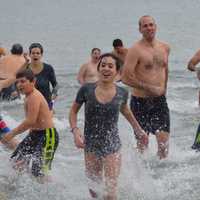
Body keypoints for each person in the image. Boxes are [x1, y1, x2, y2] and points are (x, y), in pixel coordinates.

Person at [69, 53, 148, 200]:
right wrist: (75, 131)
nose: (106, 68)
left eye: (110, 66)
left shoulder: (122, 93)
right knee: (94, 191)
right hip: (91, 144)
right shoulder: (86, 89)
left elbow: (126, 111)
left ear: (117, 72)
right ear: (98, 69)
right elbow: (73, 111)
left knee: (110, 192)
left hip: (112, 144)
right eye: (103, 65)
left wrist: (139, 130)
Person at [121, 15, 170, 159]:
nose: (149, 28)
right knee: (143, 145)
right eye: (145, 26)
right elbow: (125, 77)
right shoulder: (135, 50)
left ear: (156, 26)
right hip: (140, 102)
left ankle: (162, 178)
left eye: (151, 25)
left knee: (164, 146)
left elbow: (165, 69)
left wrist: (164, 89)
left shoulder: (165, 47)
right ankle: (142, 177)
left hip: (159, 101)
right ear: (140, 29)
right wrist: (148, 87)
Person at [2, 69, 59, 180]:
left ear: (33, 81)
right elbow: (34, 122)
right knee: (16, 161)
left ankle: (50, 192)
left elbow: (30, 121)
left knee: (38, 171)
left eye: (23, 81)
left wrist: (11, 134)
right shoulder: (28, 96)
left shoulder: (34, 96)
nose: (19, 85)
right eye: (17, 82)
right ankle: (16, 188)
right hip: (35, 134)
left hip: (48, 136)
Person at [25, 43, 59, 111]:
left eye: (38, 53)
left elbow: (56, 85)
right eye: (33, 53)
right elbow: (18, 82)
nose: (35, 55)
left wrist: (53, 97)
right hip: (30, 103)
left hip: (47, 104)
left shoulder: (48, 68)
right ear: (30, 55)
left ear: (41, 55)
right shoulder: (25, 69)